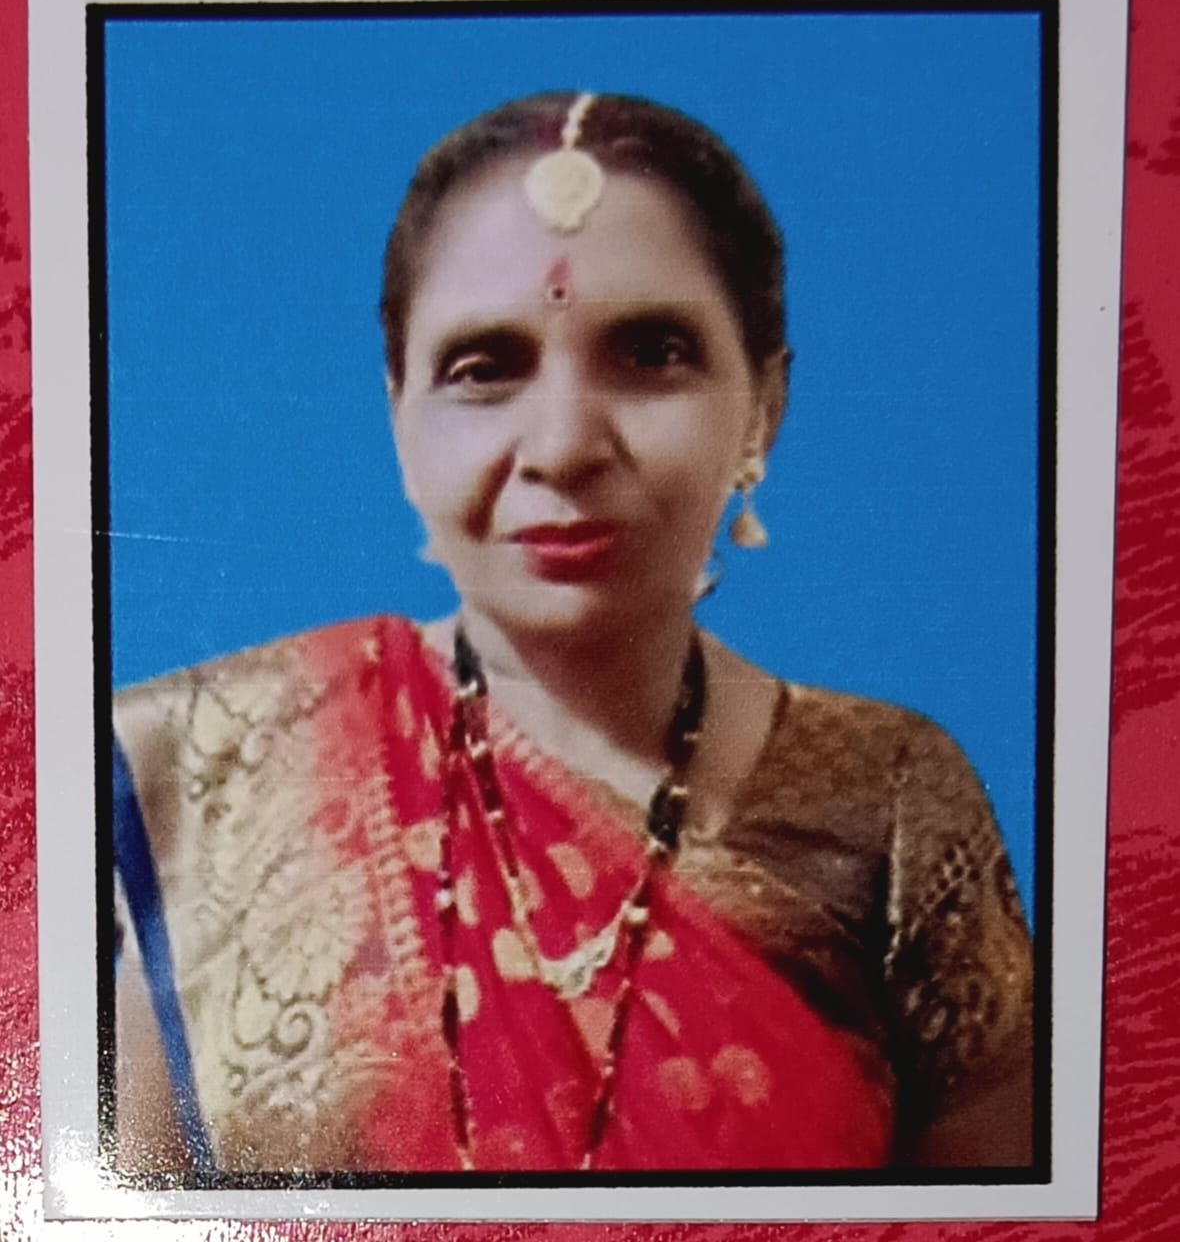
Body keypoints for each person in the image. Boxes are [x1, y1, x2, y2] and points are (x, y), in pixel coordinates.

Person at [112, 91, 1033, 1176]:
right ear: (400, 416)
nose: (560, 445)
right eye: (483, 368)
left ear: (762, 408)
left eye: (651, 352)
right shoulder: (205, 776)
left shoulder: (890, 807)